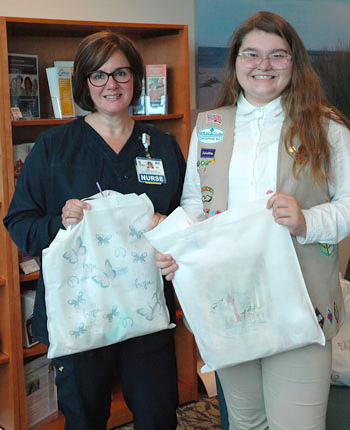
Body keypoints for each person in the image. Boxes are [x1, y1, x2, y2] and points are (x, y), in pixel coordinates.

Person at [156, 11, 350, 430]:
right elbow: (196, 204)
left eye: (277, 55)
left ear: (295, 62)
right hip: (230, 303)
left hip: (301, 303)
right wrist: (177, 249)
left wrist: (307, 221)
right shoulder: (209, 126)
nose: (264, 65)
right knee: (245, 423)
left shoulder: (327, 127)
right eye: (252, 54)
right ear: (236, 62)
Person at [4, 31, 185, 430]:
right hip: (80, 317)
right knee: (84, 420)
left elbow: (186, 222)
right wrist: (59, 223)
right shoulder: (53, 147)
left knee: (158, 417)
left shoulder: (162, 146)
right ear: (84, 82)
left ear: (135, 78)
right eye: (99, 75)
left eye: (121, 73)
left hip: (146, 317)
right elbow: (19, 222)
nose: (111, 85)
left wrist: (172, 234)